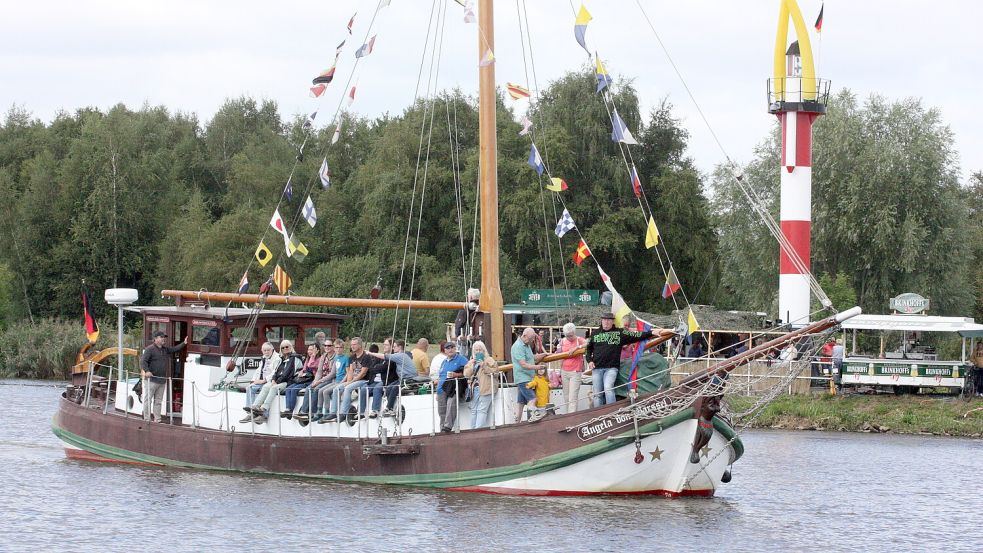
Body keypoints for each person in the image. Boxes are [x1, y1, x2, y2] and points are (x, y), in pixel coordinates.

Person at [585, 313, 653, 407]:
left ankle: (612, 411)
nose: (606, 322)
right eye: (604, 320)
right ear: (601, 321)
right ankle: (598, 414)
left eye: (609, 320)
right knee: (597, 394)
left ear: (613, 321)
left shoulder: (619, 332)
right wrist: (590, 361)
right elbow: (588, 349)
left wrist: (651, 333)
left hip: (611, 368)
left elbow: (636, 335)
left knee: (608, 388)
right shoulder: (594, 333)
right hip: (597, 367)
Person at [140, 331, 188, 423]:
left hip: (161, 381)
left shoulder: (164, 349)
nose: (163, 339)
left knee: (158, 401)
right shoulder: (149, 349)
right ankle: (147, 419)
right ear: (156, 338)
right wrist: (147, 371)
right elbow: (143, 361)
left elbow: (174, 349)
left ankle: (157, 419)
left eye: (164, 337)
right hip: (151, 380)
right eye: (161, 337)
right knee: (148, 400)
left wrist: (184, 343)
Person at [322, 337, 373, 422]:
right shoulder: (351, 357)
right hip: (354, 380)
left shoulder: (366, 357)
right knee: (336, 389)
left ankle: (343, 413)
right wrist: (348, 381)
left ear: (360, 345)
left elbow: (363, 373)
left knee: (348, 388)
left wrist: (350, 382)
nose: (352, 346)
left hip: (364, 380)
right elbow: (350, 372)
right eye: (351, 344)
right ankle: (333, 412)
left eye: (354, 344)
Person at [248, 340, 299, 423]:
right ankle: (255, 406)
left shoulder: (293, 358)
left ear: (291, 347)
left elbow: (287, 373)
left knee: (274, 388)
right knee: (266, 387)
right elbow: (276, 371)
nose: (285, 348)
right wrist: (273, 379)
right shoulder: (282, 358)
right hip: (279, 381)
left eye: (287, 347)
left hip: (288, 382)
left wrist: (276, 381)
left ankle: (264, 409)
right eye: (283, 347)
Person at [365, 338, 416, 416]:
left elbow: (383, 356)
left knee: (395, 387)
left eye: (395, 346)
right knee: (389, 387)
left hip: (408, 378)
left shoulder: (400, 355)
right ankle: (391, 407)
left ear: (400, 347)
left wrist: (370, 353)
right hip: (402, 379)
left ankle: (389, 408)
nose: (393, 348)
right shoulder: (402, 355)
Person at [510, 327, 547, 421]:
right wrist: (537, 368)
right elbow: (523, 364)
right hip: (523, 378)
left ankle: (516, 423)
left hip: (527, 377)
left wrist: (543, 355)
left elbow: (531, 358)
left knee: (521, 402)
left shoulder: (526, 345)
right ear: (524, 336)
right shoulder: (518, 346)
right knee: (533, 399)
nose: (531, 341)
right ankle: (533, 418)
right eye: (530, 339)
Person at [240, 342, 282, 423]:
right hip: (261, 381)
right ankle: (251, 412)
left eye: (268, 350)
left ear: (272, 350)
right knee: (250, 388)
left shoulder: (277, 358)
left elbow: (275, 372)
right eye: (264, 350)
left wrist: (264, 380)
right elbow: (258, 370)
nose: (266, 352)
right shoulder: (264, 357)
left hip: (270, 381)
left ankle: (264, 415)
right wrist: (253, 380)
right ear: (262, 351)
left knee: (265, 390)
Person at [463, 341, 501, 429]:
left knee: (482, 410)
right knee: (473, 410)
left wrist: (484, 366)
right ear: (474, 351)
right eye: (476, 350)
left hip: (487, 388)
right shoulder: (471, 361)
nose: (478, 351)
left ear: (484, 351)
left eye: (480, 350)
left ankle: (478, 431)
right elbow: (466, 374)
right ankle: (472, 430)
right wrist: (472, 365)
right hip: (475, 389)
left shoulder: (489, 360)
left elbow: (495, 373)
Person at [314, 338, 351, 423]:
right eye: (337, 347)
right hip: (335, 381)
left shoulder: (346, 358)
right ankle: (320, 411)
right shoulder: (336, 358)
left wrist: (342, 383)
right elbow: (333, 372)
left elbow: (348, 373)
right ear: (334, 348)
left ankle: (328, 413)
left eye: (340, 347)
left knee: (326, 392)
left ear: (343, 348)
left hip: (341, 382)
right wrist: (320, 381)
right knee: (320, 390)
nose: (338, 349)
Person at [437, 342, 468, 432]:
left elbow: (468, 371)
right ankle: (442, 429)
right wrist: (436, 391)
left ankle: (447, 427)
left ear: (455, 349)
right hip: (441, 389)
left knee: (451, 405)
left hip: (454, 387)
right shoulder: (443, 362)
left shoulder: (461, 359)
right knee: (441, 411)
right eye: (448, 348)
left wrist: (456, 374)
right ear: (445, 350)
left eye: (452, 347)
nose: (450, 349)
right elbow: (440, 376)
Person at [282, 344, 319, 419]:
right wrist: (301, 372)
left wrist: (313, 356)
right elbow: (305, 368)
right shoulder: (307, 358)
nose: (310, 351)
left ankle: (291, 410)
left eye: (312, 350)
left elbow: (311, 365)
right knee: (288, 388)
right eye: (309, 350)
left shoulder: (318, 359)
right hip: (305, 378)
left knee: (294, 390)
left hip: (311, 380)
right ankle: (288, 409)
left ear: (317, 350)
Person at [556, 322, 587, 414]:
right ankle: (568, 415)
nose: (569, 337)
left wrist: (577, 347)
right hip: (564, 370)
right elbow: (557, 353)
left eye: (571, 335)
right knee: (566, 395)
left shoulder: (579, 340)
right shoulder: (562, 341)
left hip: (575, 371)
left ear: (574, 332)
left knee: (572, 396)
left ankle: (571, 416)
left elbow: (588, 343)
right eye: (567, 335)